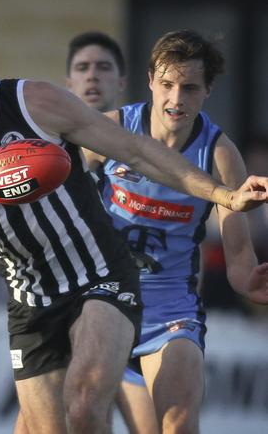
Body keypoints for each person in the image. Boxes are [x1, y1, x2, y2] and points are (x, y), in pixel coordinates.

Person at [0, 0, 268, 434]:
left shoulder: (35, 104)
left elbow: (137, 153)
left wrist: (225, 199)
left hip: (116, 281)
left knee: (112, 408)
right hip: (32, 300)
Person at [82, 29, 268, 433]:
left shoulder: (219, 153)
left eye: (189, 88)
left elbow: (238, 257)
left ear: (208, 91)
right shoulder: (112, 131)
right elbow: (56, 194)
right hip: (102, 296)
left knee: (177, 425)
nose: (176, 99)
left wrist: (250, 282)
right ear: (150, 80)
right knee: (72, 415)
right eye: (166, 85)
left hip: (169, 307)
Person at [67, 31, 159, 434]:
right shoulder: (51, 156)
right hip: (74, 309)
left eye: (103, 68)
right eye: (82, 69)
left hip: (143, 311)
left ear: (122, 81)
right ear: (68, 82)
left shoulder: (150, 149)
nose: (93, 77)